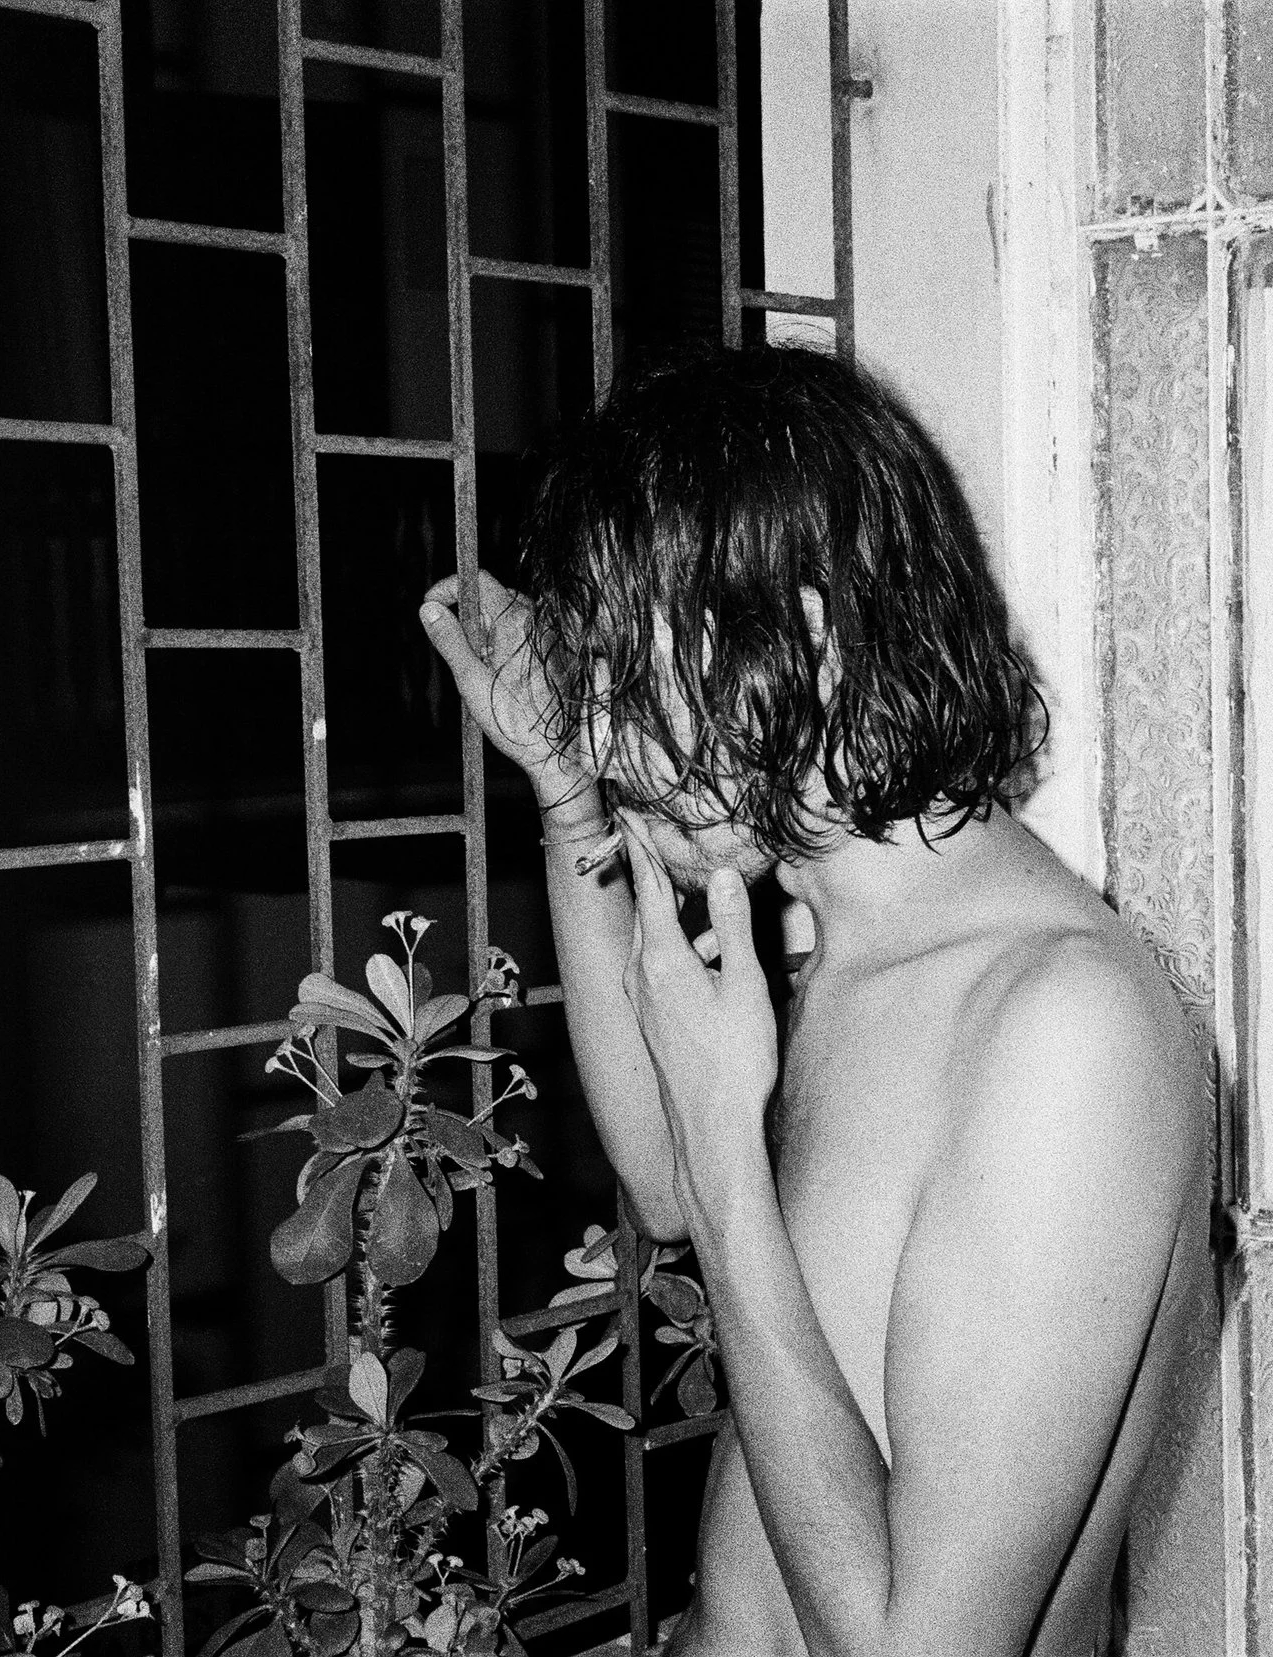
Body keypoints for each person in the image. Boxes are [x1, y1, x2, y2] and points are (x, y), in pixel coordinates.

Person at [418, 345, 1211, 1657]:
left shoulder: (1065, 1028)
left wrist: (734, 1148)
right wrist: (569, 803)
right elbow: (676, 1187)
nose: (607, 735)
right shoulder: (851, 950)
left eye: (626, 679)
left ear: (808, 641)